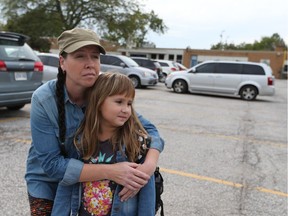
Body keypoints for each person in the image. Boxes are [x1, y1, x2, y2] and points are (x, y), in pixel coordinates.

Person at [25, 28, 164, 215]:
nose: (90, 64)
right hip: (46, 181)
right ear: (62, 62)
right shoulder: (43, 100)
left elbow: (149, 130)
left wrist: (146, 170)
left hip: (88, 185)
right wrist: (111, 171)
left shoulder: (104, 90)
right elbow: (52, 165)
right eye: (80, 56)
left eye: (95, 57)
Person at [52, 72, 157, 215]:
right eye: (119, 102)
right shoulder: (79, 142)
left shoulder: (136, 143)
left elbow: (147, 196)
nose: (126, 110)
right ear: (98, 102)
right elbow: (66, 186)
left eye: (129, 103)